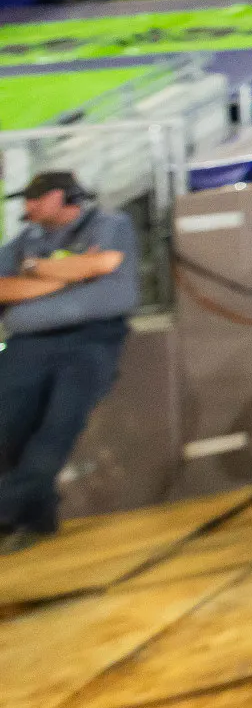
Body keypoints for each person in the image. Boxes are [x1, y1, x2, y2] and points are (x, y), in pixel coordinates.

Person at [0, 172, 140, 550]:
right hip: (26, 344)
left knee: (56, 430)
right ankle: (35, 518)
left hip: (90, 341)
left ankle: (7, 509)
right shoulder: (23, 243)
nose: (26, 207)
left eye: (34, 199)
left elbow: (104, 264)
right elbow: (2, 287)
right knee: (8, 429)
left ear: (60, 197)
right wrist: (64, 275)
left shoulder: (108, 224)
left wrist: (33, 271)